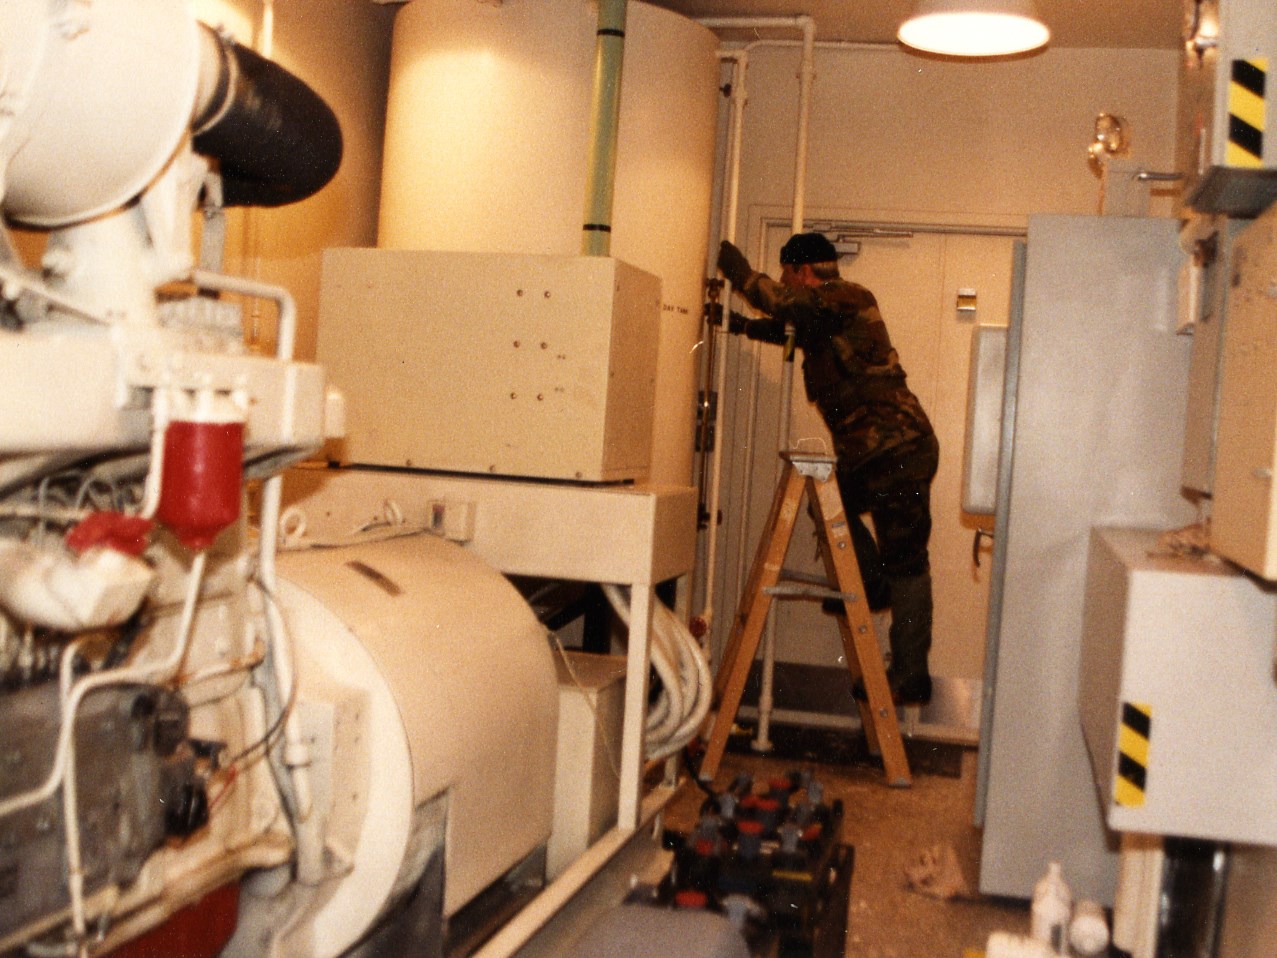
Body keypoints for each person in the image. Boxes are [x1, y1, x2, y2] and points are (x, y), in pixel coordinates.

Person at [716, 232, 939, 705]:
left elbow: (786, 309)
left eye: (785, 272)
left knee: (909, 565)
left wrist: (737, 271)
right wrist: (741, 327)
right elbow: (791, 329)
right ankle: (872, 584)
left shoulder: (844, 296)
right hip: (875, 453)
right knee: (827, 500)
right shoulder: (825, 313)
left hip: (898, 448)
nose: (781, 281)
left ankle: (911, 673)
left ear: (801, 271)